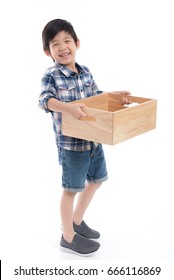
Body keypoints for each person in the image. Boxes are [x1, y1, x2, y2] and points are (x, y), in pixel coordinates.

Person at [39, 19, 130, 256]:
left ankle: (77, 220)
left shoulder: (86, 71)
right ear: (48, 51)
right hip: (71, 145)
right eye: (55, 43)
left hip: (93, 140)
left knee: (97, 179)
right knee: (71, 189)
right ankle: (67, 236)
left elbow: (96, 96)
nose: (63, 47)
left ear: (77, 43)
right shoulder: (52, 75)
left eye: (67, 40)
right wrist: (68, 108)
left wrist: (114, 96)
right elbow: (44, 101)